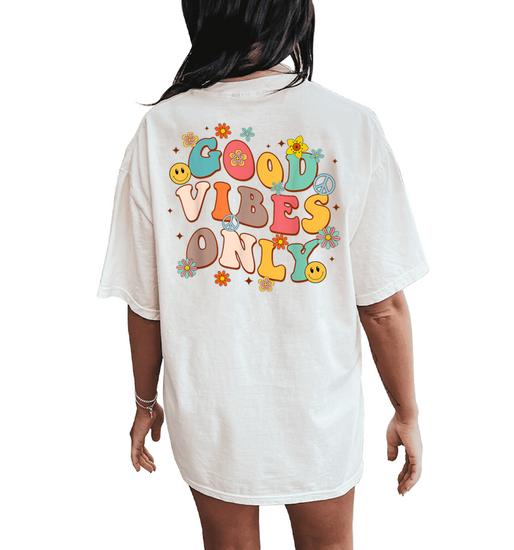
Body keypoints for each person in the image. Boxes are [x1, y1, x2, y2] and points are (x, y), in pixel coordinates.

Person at [98, 1, 428, 548]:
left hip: (211, 411)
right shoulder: (348, 125)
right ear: (294, 14)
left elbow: (145, 304)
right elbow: (382, 307)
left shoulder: (161, 130)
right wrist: (407, 410)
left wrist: (144, 402)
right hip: (319, 413)